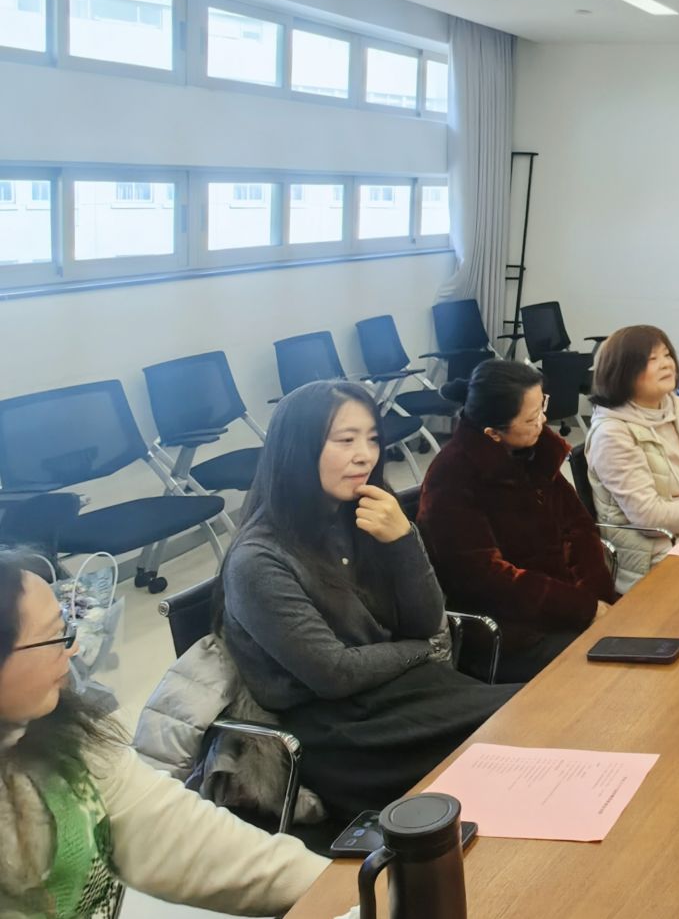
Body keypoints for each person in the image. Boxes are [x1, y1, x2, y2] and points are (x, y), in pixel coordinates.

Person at [217, 382, 519, 818]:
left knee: (533, 714)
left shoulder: (362, 514)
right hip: (341, 733)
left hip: (401, 692)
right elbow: (334, 674)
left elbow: (425, 621)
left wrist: (404, 540)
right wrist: (418, 651)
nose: (365, 455)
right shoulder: (257, 560)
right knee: (513, 740)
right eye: (345, 440)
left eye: (372, 438)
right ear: (297, 450)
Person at [1, 552, 325, 918]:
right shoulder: (259, 561)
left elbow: (186, 836)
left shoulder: (66, 740)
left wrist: (343, 885)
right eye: (53, 636)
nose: (72, 648)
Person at [418, 360, 617, 683]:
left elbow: (578, 527)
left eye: (542, 407)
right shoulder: (451, 478)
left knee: (642, 638)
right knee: (612, 672)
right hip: (511, 634)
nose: (543, 421)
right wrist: (583, 608)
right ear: (492, 433)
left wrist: (598, 597)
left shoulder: (535, 453)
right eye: (531, 417)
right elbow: (487, 579)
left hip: (565, 609)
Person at [586, 324, 679, 589]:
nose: (667, 364)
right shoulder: (612, 433)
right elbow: (649, 516)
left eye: (667, 355)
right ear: (623, 371)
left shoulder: (675, 405)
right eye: (652, 359)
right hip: (655, 550)